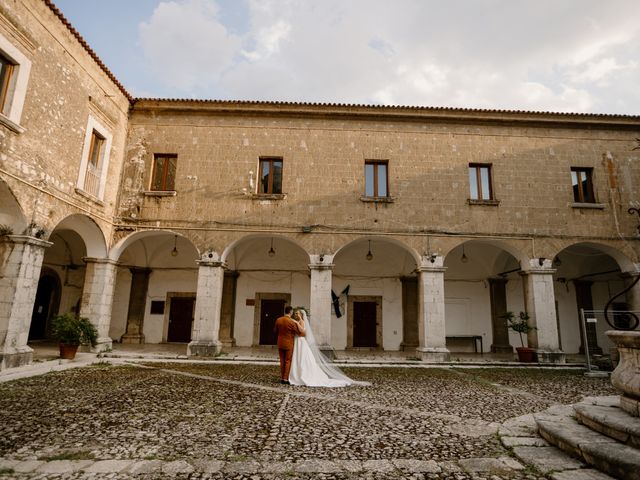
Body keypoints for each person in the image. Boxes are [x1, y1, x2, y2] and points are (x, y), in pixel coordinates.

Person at [288, 308, 369, 387]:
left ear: (301, 315)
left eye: (297, 313)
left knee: (302, 358)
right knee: (298, 357)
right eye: (295, 313)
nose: (296, 315)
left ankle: (303, 375)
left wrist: (296, 323)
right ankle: (297, 374)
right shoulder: (298, 322)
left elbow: (303, 332)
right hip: (298, 341)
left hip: (301, 341)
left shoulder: (301, 321)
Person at [273, 305, 304, 384]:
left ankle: (282, 377)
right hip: (288, 343)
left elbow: (275, 331)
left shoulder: (278, 320)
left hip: (280, 343)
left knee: (282, 360)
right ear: (290, 312)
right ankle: (285, 379)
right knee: (287, 361)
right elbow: (298, 332)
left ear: (285, 311)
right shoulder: (291, 322)